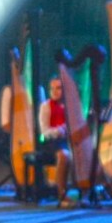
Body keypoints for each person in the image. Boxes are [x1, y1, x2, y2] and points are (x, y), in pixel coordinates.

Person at [38, 76, 74, 206]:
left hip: (67, 141)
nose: (55, 91)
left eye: (58, 88)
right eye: (52, 88)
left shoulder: (69, 105)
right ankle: (61, 193)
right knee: (64, 155)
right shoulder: (45, 106)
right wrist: (59, 130)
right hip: (51, 142)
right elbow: (44, 132)